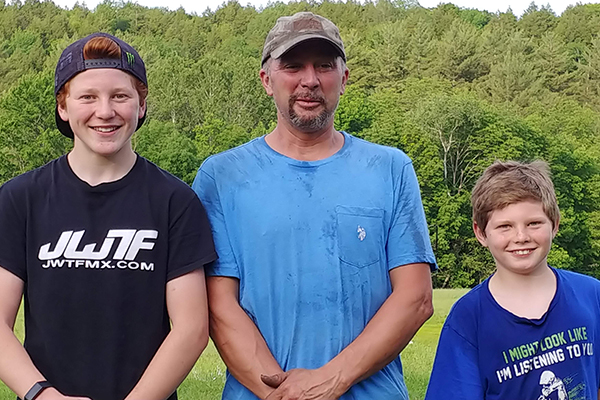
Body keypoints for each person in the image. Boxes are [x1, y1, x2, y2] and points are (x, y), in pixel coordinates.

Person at [193, 12, 436, 400]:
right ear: (266, 80)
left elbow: (415, 298)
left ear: (344, 77)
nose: (310, 80)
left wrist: (332, 379)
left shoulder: (390, 169)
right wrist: (285, 395)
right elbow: (218, 307)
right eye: (293, 65)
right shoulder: (222, 176)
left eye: (324, 65)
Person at [0, 33, 216, 400]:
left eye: (120, 96)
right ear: (63, 107)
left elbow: (191, 327)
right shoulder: (21, 198)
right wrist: (41, 394)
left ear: (141, 106)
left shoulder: (175, 201)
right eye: (87, 97)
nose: (105, 111)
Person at [425, 160, 600, 400]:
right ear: (481, 233)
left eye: (534, 223)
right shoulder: (468, 318)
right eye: (505, 226)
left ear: (555, 224)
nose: (521, 237)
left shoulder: (591, 295)